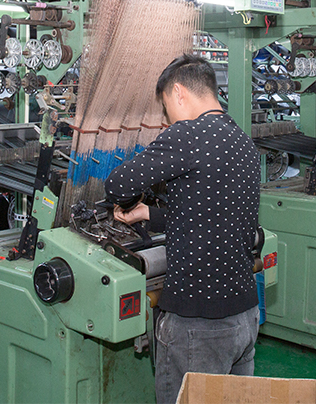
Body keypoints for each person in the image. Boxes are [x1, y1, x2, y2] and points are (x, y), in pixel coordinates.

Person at [104, 53, 261, 404]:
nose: (167, 119)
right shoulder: (243, 141)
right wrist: (148, 213)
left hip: (199, 326)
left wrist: (128, 199)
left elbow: (117, 185)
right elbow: (215, 213)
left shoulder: (188, 135)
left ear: (178, 93)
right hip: (245, 318)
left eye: (165, 108)